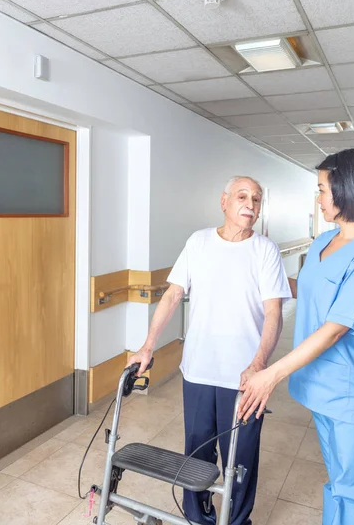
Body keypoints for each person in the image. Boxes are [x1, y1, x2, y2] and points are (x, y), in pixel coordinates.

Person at [238, 149, 354, 525]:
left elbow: (335, 329)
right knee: (339, 484)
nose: (319, 198)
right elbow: (308, 289)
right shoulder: (324, 242)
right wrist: (255, 283)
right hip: (322, 390)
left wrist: (271, 374)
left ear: (347, 190)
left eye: (323, 189)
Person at [127, 176, 291, 525]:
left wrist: (259, 363)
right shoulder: (198, 242)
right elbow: (172, 295)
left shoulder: (265, 250)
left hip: (247, 379)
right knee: (198, 454)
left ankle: (236, 521)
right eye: (242, 196)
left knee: (241, 458)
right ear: (224, 201)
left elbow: (273, 313)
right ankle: (198, 518)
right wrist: (147, 346)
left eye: (257, 200)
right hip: (199, 370)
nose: (250, 204)